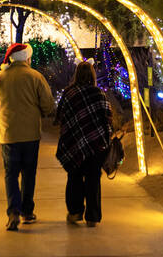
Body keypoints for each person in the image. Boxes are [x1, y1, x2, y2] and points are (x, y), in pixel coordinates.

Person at [0, 42, 56, 231]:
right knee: (28, 174)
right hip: (31, 134)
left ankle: (13, 211)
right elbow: (48, 104)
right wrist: (43, 112)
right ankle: (27, 212)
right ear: (27, 58)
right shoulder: (36, 77)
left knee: (11, 174)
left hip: (8, 134)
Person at [54, 60, 112, 227]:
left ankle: (75, 212)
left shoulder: (69, 93)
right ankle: (93, 217)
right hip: (96, 145)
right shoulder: (99, 94)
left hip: (74, 143)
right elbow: (107, 118)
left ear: (76, 75)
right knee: (93, 180)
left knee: (74, 177)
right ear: (93, 75)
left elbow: (61, 118)